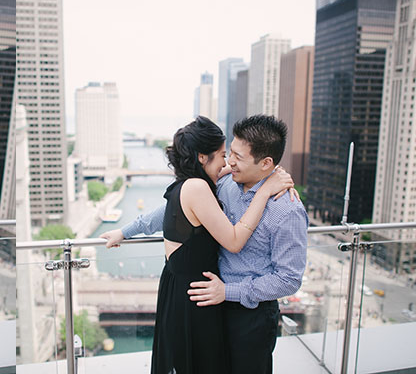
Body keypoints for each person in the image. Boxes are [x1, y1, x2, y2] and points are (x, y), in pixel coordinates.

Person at [101, 115, 308, 374]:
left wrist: (227, 291)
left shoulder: (286, 209)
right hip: (210, 305)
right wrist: (126, 230)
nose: (229, 161)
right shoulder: (224, 183)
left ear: (266, 163)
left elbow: (289, 279)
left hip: (250, 316)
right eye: (229, 153)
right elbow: (174, 209)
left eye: (237, 157)